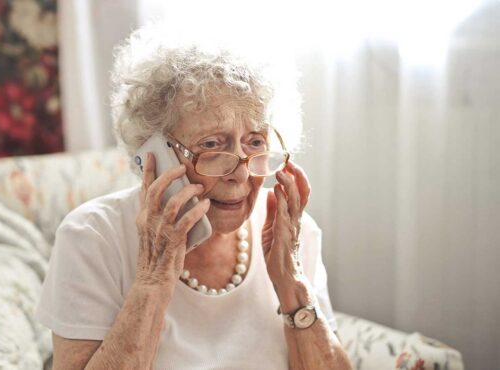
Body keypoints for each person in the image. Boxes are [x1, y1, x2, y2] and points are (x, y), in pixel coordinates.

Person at [36, 24, 353, 370]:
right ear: (154, 151)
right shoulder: (92, 236)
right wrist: (152, 282)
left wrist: (291, 284)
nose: (241, 173)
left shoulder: (289, 233)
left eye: (255, 142)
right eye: (212, 145)